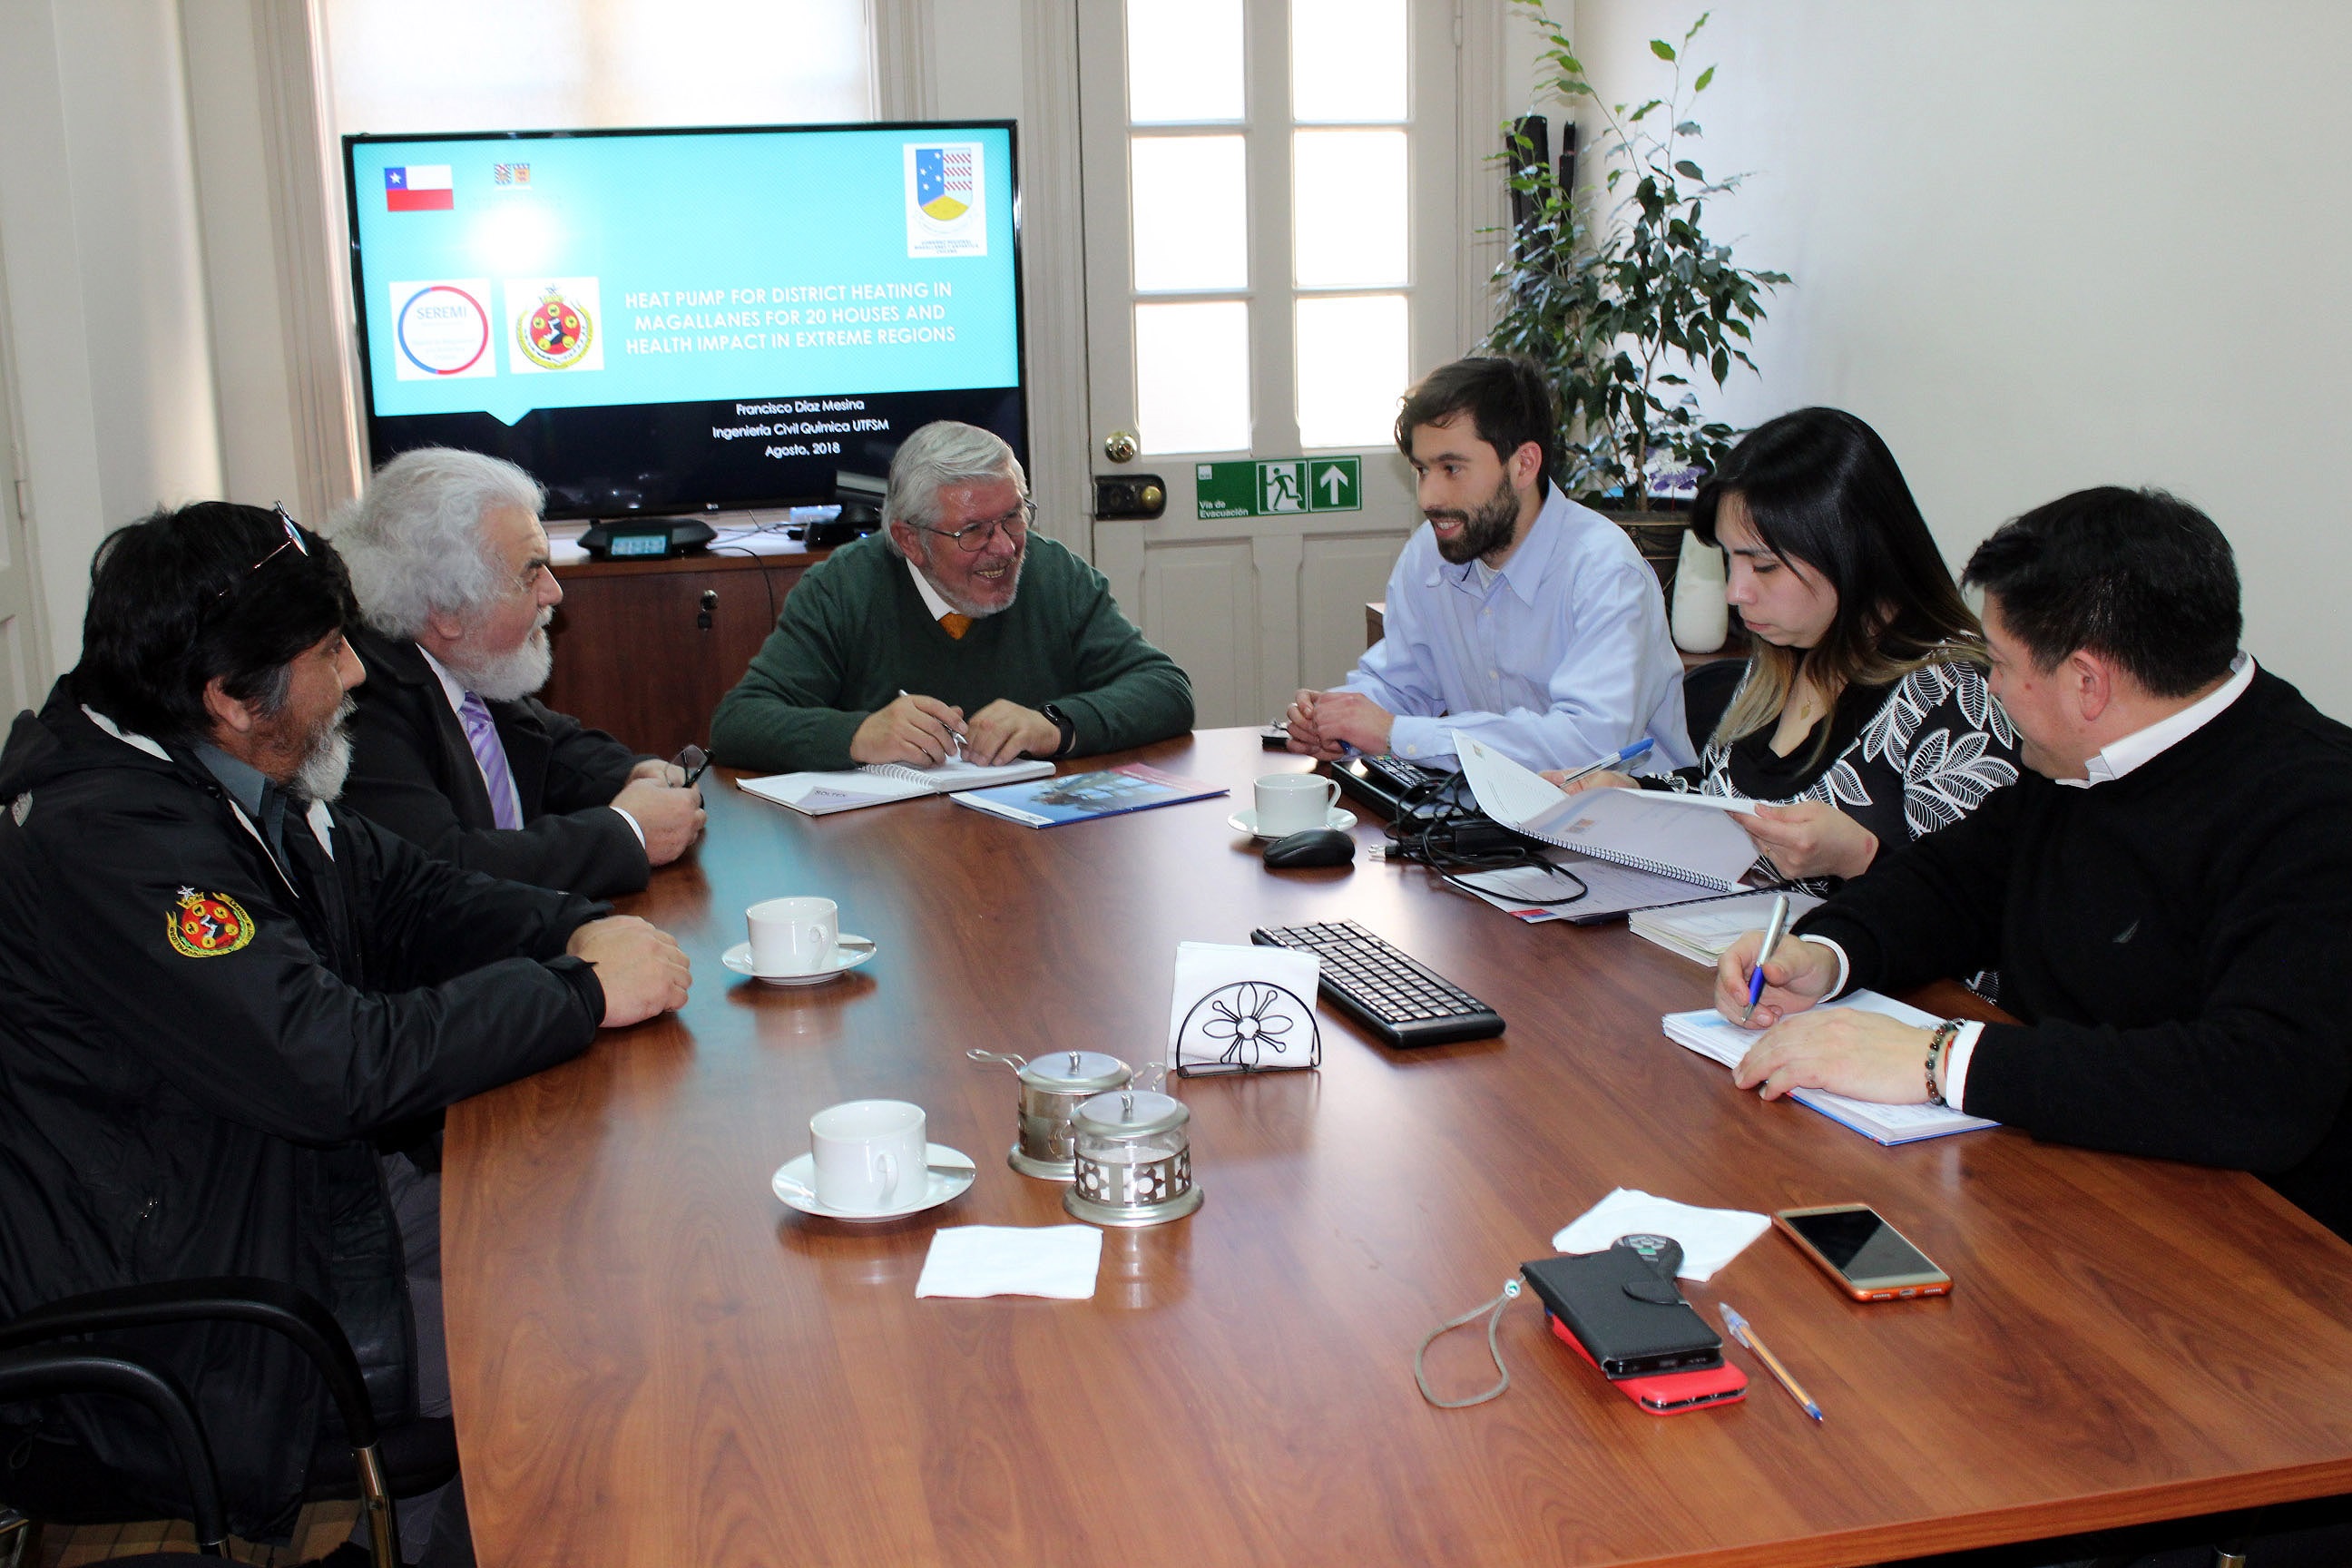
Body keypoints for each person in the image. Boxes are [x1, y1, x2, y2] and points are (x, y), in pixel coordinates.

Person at [0, 502, 692, 1560]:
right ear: (229, 696)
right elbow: (334, 1063)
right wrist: (578, 995)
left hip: (288, 1192)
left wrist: (588, 930)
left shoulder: (226, 769)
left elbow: (414, 896)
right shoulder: (116, 843)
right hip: (201, 1296)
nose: (359, 675)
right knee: (589, 1346)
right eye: (330, 653)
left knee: (624, 1241)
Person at [1718, 487, 2352, 1242]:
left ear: (2087, 682)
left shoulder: (2317, 812)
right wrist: (1826, 951)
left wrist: (1941, 1059)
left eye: (1999, 663)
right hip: (2052, 1184)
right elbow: (1959, 882)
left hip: (2240, 1250)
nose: (1987, 688)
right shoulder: (2081, 758)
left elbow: (2257, 1085)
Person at [1545, 408, 2021, 886]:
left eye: (1764, 566)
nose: (1736, 592)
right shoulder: (1786, 652)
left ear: (1850, 549)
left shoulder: (1959, 694)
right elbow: (1724, 800)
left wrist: (1860, 859)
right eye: (1730, 561)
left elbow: (1977, 916)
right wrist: (1631, 796)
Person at [1284, 355, 1691, 774]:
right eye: (1423, 470)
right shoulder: (1430, 551)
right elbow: (1400, 683)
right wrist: (1337, 719)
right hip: (1497, 821)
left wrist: (1393, 734)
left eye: (1452, 468)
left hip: (1623, 825)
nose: (1428, 498)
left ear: (1524, 464)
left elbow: (1588, 748)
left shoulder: (1606, 573)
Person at [709, 420, 1193, 771]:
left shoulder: (1054, 573)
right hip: (889, 860)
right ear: (909, 541)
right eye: (973, 531)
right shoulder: (843, 589)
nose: (1003, 547)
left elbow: (1166, 691)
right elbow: (739, 724)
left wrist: (1056, 725)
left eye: (1014, 517)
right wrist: (857, 735)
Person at [330, 447, 706, 898]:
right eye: (531, 574)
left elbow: (552, 746)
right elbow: (445, 872)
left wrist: (639, 775)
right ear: (448, 609)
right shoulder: (360, 704)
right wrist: (629, 830)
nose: (554, 591)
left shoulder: (463, 660)